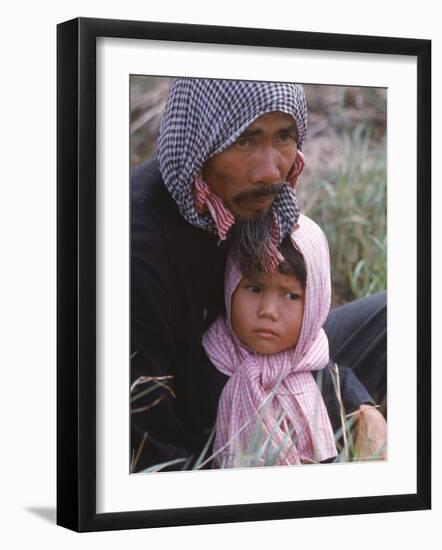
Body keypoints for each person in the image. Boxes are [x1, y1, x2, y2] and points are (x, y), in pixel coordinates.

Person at [130, 78, 386, 473]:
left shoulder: (253, 196)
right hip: (200, 411)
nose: (270, 171)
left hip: (272, 359)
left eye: (284, 137)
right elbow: (147, 439)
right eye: (245, 140)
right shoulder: (134, 246)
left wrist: (356, 404)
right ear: (202, 141)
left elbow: (296, 332)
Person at [203, 214, 345, 467]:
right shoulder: (207, 363)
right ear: (230, 286)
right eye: (254, 289)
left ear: (315, 303)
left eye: (290, 295)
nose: (268, 310)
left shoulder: (317, 367)